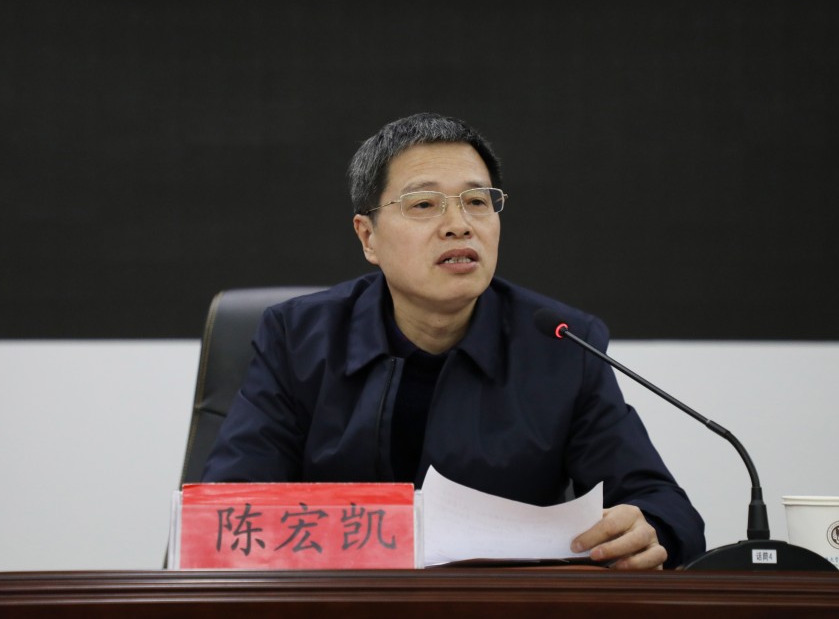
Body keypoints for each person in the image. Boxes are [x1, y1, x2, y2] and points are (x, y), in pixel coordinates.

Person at [202, 112, 706, 569]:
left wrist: (650, 531)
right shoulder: (298, 337)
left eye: (477, 202)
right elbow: (225, 508)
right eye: (424, 204)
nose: (459, 226)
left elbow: (663, 508)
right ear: (368, 237)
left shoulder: (562, 345)